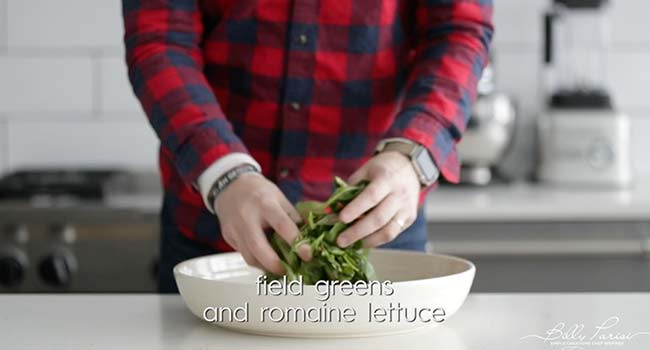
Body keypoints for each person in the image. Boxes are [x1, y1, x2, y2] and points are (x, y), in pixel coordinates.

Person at [122, 0, 493, 293]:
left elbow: (458, 29)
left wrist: (414, 154)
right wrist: (223, 173)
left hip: (381, 226)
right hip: (214, 229)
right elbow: (160, 39)